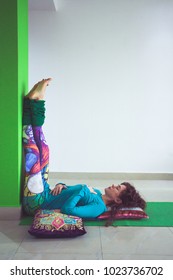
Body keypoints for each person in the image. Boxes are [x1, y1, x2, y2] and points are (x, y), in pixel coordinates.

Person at [22, 79, 146, 220]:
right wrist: (62, 185)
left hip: (38, 203)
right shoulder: (97, 192)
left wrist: (81, 191)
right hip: (45, 191)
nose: (113, 185)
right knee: (44, 150)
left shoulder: (98, 207)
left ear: (118, 200)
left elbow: (69, 210)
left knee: (34, 153)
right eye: (117, 185)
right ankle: (34, 101)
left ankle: (31, 104)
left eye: (117, 188)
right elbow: (68, 193)